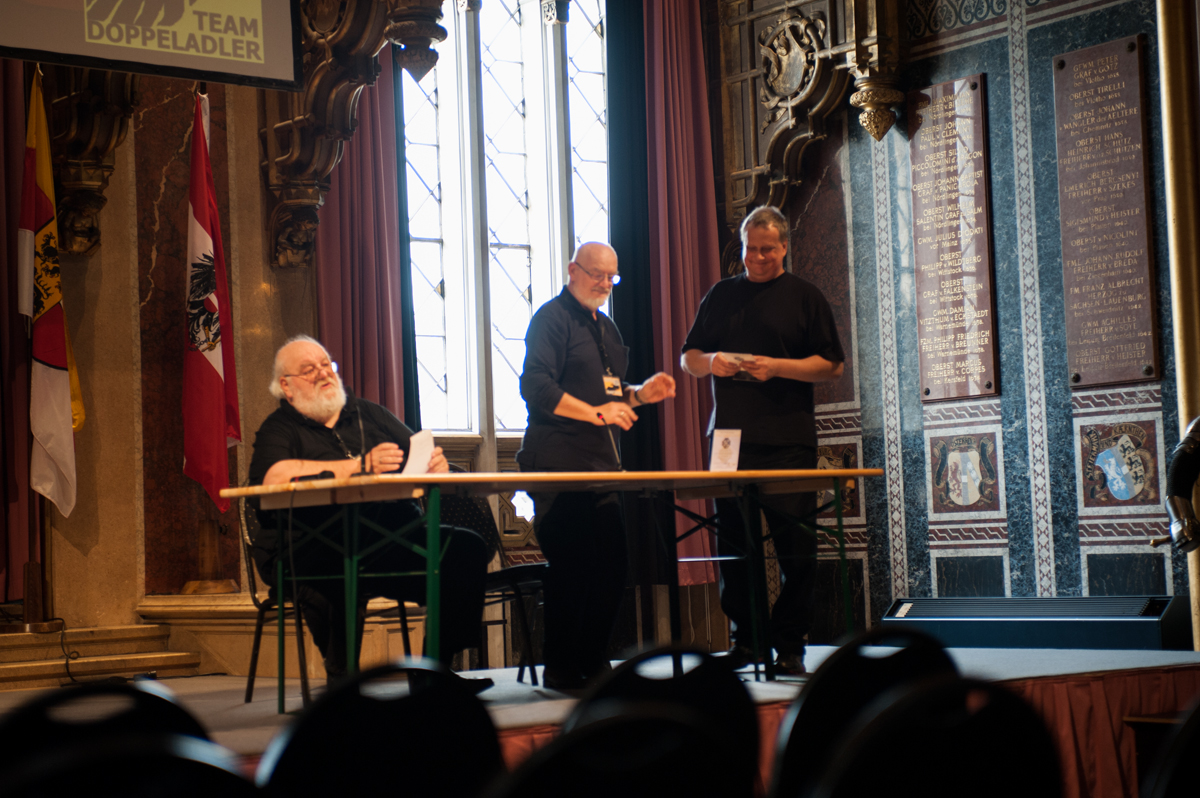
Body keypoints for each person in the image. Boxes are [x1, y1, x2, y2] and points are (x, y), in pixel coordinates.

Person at [247, 335, 491, 680]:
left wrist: (434, 464)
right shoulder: (280, 428)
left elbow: (417, 452)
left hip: (387, 541)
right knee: (337, 570)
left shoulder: (369, 414)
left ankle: (435, 673)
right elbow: (272, 477)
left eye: (326, 365)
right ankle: (343, 681)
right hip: (308, 546)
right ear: (286, 386)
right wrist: (359, 467)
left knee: (463, 549)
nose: (323, 373)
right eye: (309, 369)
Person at [680, 205, 845, 675]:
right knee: (736, 547)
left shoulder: (805, 297)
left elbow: (832, 366)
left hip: (787, 439)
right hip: (728, 441)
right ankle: (747, 642)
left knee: (796, 549)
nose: (756, 258)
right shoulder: (721, 295)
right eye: (750, 249)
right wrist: (711, 361)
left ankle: (790, 645)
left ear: (784, 247)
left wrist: (777, 367)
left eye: (766, 250)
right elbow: (688, 357)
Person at [518, 242, 676, 691]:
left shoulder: (606, 326)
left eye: (612, 277)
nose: (605, 284)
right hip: (559, 466)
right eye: (597, 274)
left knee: (612, 568)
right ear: (573, 270)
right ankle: (561, 667)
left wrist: (640, 394)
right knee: (573, 567)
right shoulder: (551, 319)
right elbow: (536, 386)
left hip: (601, 469)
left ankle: (592, 659)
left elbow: (609, 393)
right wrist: (596, 414)